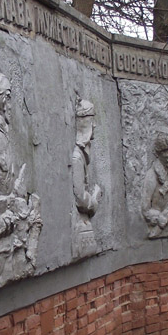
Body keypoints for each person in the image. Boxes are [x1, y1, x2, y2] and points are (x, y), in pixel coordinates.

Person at [0, 72, 42, 285]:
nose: (13, 103)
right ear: (5, 100)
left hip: (11, 229)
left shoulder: (5, 135)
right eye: (10, 97)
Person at [71, 99, 102, 257]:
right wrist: (94, 200)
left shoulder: (82, 156)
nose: (95, 125)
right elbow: (80, 198)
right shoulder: (77, 158)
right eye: (92, 120)